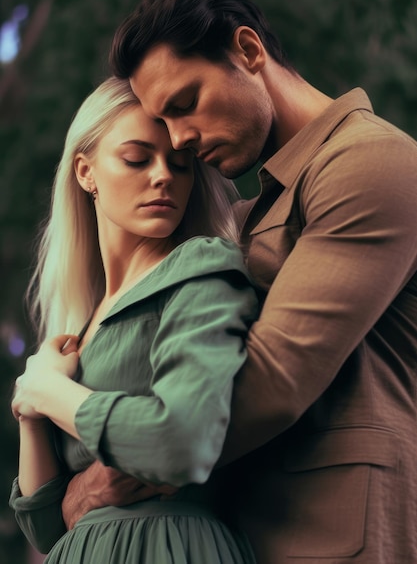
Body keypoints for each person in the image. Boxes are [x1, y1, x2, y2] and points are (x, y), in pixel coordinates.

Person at [59, 0, 417, 563]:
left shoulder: (370, 163)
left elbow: (274, 379)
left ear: (248, 51)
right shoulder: (251, 214)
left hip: (342, 534)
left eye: (184, 105)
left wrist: (113, 472)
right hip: (249, 534)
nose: (181, 140)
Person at [9, 75, 259, 564]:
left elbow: (182, 441)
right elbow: (43, 526)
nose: (163, 175)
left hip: (171, 548)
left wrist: (51, 393)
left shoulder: (201, 267)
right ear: (86, 172)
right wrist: (31, 412)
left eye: (180, 164)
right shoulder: (81, 324)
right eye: (137, 158)